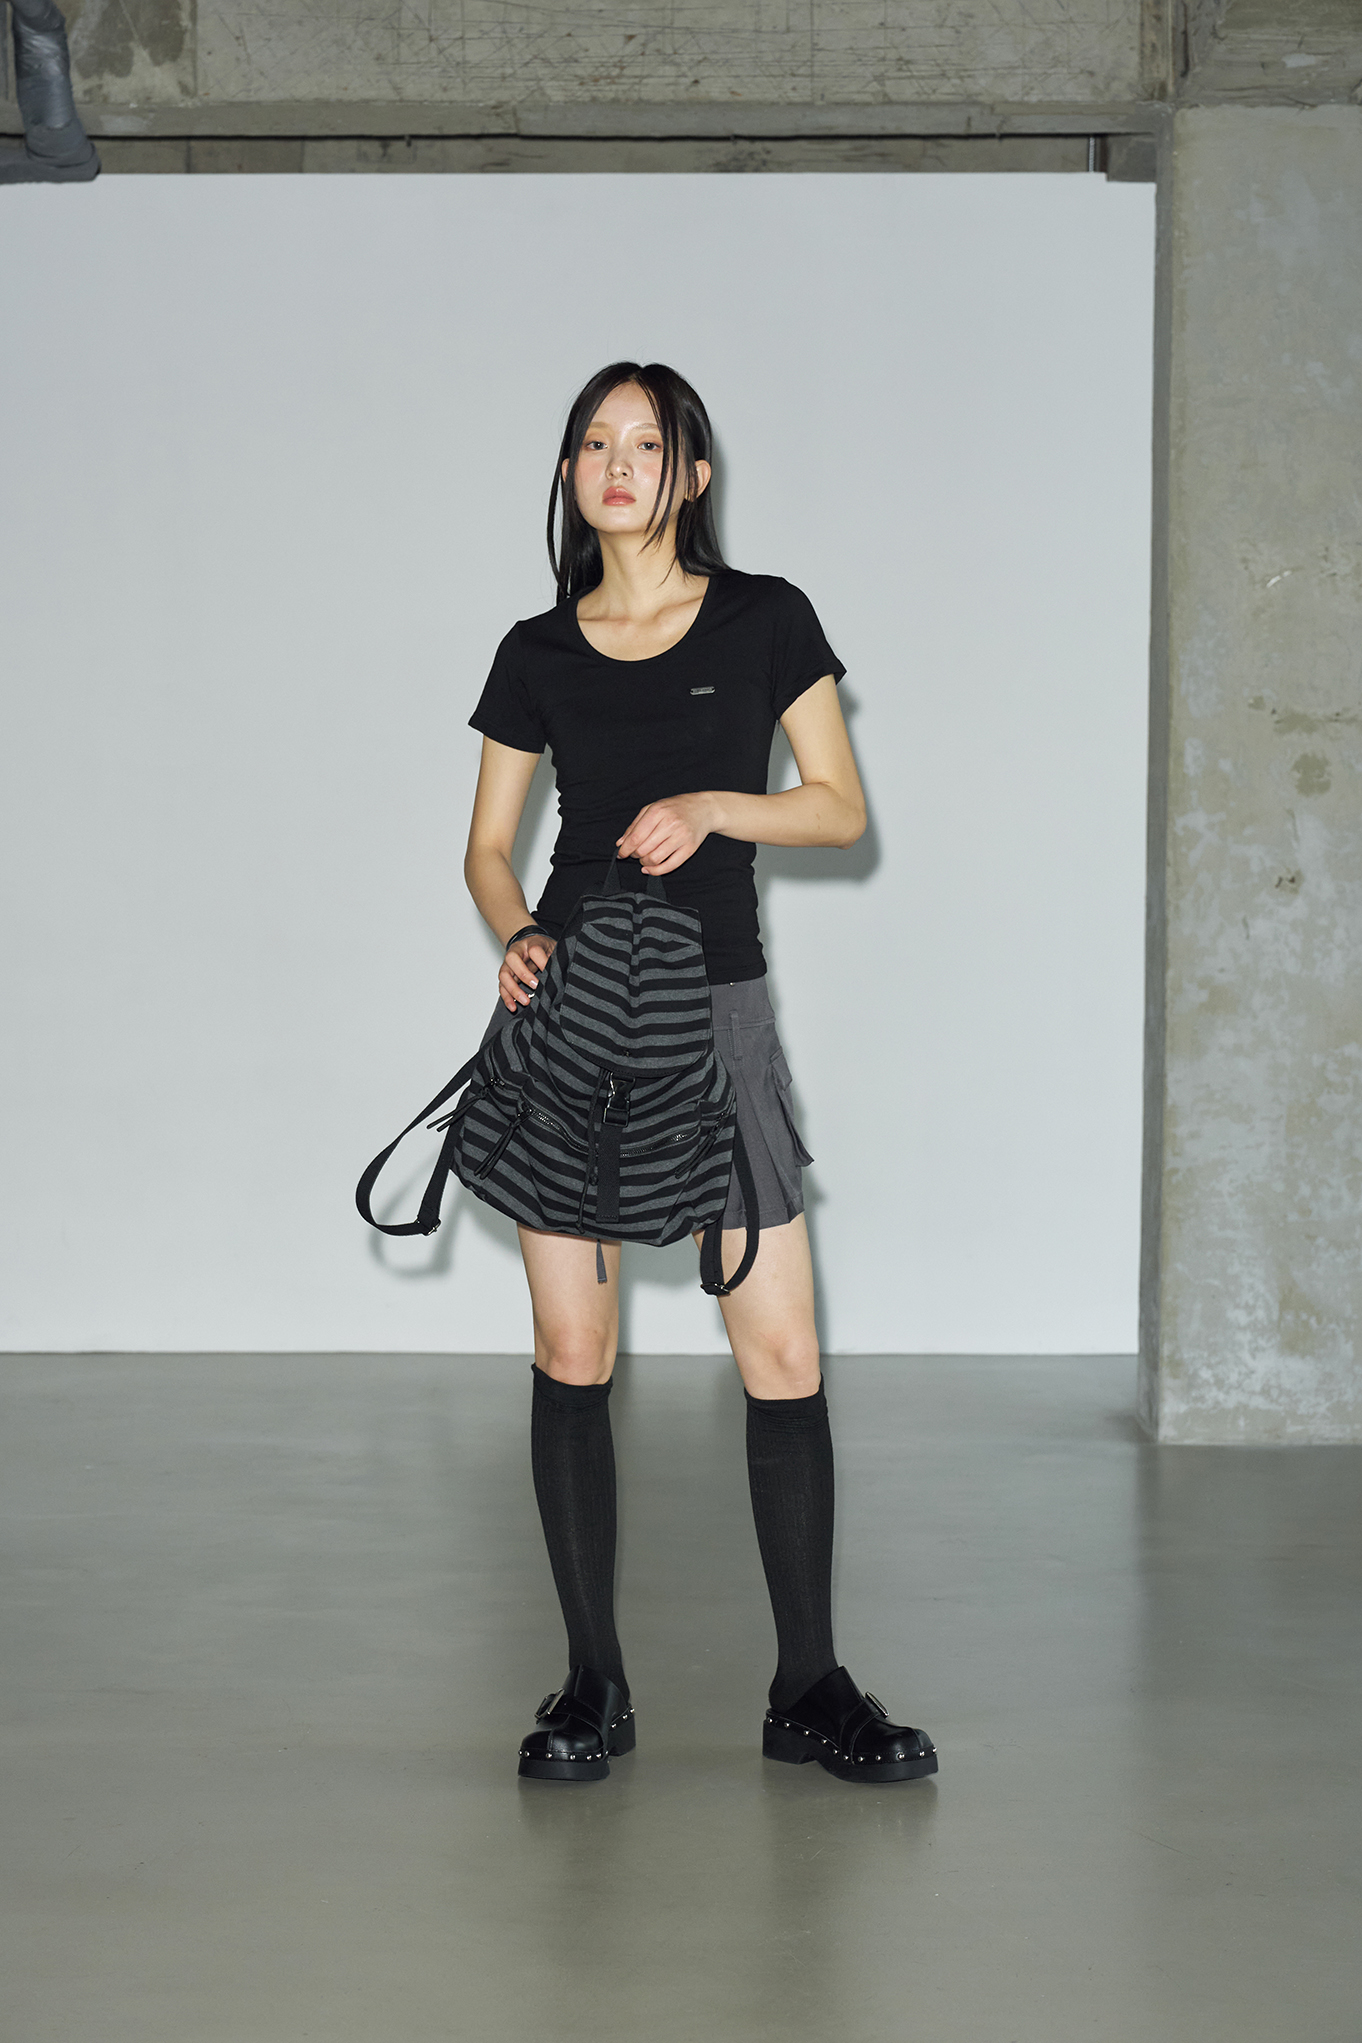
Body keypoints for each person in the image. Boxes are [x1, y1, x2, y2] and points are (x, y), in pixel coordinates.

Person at [463, 361, 937, 1787]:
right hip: (569, 1016)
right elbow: (486, 850)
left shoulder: (764, 617)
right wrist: (516, 935)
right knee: (573, 1353)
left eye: (648, 443)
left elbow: (838, 811)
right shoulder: (535, 651)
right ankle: (590, 1686)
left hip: (714, 1009)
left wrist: (713, 806)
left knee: (781, 1356)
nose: (618, 464)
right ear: (570, 474)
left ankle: (809, 1689)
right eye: (593, 443)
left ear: (694, 475)